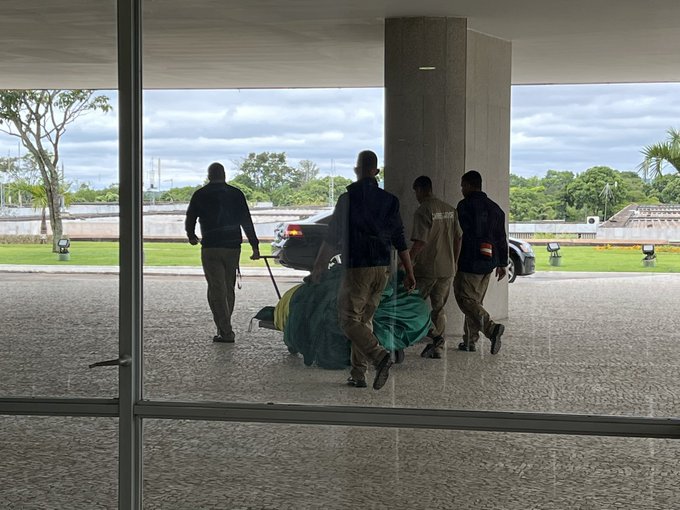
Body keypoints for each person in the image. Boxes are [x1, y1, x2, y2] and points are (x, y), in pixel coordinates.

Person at [311, 150, 416, 390]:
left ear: (358, 170)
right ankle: (358, 374)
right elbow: (400, 239)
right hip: (383, 269)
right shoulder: (390, 201)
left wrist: (319, 264)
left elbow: (333, 236)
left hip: (358, 268)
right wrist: (409, 272)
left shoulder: (348, 199)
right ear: (376, 171)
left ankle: (378, 357)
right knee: (364, 320)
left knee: (348, 320)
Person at [185, 162, 260, 343]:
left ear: (209, 175)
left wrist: (192, 236)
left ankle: (225, 330)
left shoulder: (200, 194)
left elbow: (190, 218)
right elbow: (246, 221)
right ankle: (224, 327)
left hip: (211, 246)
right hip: (233, 246)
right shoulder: (236, 194)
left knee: (216, 289)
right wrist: (254, 246)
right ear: (224, 175)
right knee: (228, 288)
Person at [454, 170, 507, 354]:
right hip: (489, 261)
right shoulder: (495, 208)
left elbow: (462, 233)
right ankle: (469, 341)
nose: (461, 189)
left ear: (469, 185)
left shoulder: (464, 206)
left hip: (470, 260)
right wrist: (502, 263)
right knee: (475, 301)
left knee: (465, 299)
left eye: (462, 186)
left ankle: (492, 329)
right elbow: (501, 237)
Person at [409, 176, 462, 359]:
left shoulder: (423, 210)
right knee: (438, 308)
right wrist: (454, 261)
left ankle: (433, 336)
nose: (416, 196)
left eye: (416, 192)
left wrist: (406, 261)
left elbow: (420, 242)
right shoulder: (450, 209)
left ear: (421, 190)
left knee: (413, 305)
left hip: (426, 269)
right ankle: (437, 348)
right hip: (447, 269)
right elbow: (458, 238)